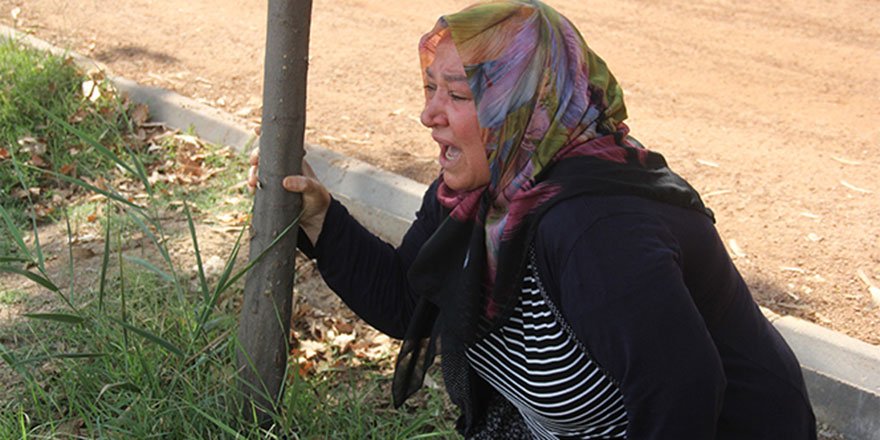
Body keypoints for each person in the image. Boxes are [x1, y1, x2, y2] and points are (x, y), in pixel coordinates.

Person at [248, 1, 817, 438]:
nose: (428, 114)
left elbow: (683, 394)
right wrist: (321, 219)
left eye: (458, 96)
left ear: (522, 105)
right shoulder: (480, 199)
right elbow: (406, 299)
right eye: (429, 89)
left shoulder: (596, 228)